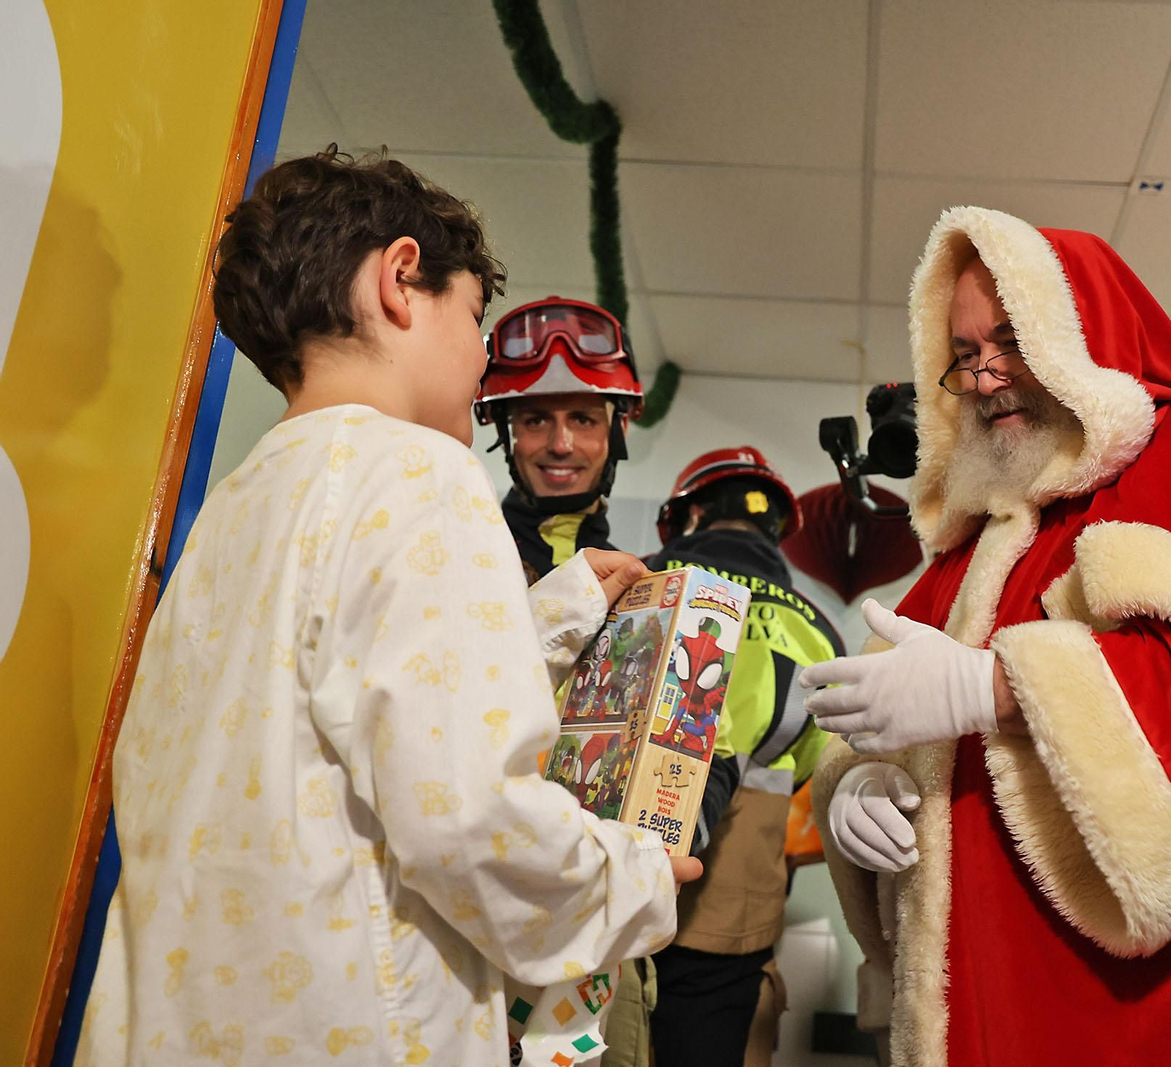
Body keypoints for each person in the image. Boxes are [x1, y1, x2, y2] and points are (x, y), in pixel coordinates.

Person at [76, 149, 698, 1067]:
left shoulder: (240, 502)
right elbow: (468, 817)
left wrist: (549, 617)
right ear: (402, 279)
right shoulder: (422, 471)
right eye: (476, 318)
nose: (483, 359)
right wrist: (637, 879)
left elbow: (325, 710)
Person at [801, 208, 1171, 1066]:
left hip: (1137, 1007)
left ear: (1077, 331)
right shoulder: (972, 540)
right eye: (966, 354)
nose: (985, 377)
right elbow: (885, 707)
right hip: (977, 996)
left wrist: (993, 688)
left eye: (1010, 339)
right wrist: (862, 784)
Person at [641, 448, 845, 1067]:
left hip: (607, 884)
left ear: (692, 512)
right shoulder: (819, 628)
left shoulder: (639, 582)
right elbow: (815, 763)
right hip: (733, 909)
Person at [476, 296, 643, 582]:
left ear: (620, 428)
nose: (560, 446)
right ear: (505, 433)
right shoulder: (460, 559)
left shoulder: (634, 588)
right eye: (536, 421)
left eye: (582, 420)